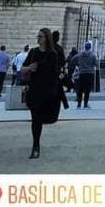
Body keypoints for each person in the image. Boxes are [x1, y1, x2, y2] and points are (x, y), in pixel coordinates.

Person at [21, 27, 61, 159]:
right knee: (35, 119)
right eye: (37, 36)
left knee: (43, 118)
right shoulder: (33, 52)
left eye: (40, 37)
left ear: (46, 38)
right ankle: (36, 146)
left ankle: (36, 146)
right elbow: (22, 69)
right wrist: (29, 68)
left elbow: (55, 73)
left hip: (47, 91)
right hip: (34, 89)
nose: (38, 39)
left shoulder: (53, 54)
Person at [73, 40, 97, 108]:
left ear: (85, 47)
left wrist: (79, 65)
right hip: (90, 73)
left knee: (80, 89)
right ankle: (85, 104)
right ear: (90, 47)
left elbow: (74, 60)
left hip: (82, 73)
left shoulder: (80, 55)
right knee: (87, 90)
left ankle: (79, 104)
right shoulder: (93, 55)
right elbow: (96, 64)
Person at [52, 32, 69, 110]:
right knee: (59, 88)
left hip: (48, 72)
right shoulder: (59, 48)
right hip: (57, 71)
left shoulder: (48, 47)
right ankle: (65, 104)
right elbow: (63, 61)